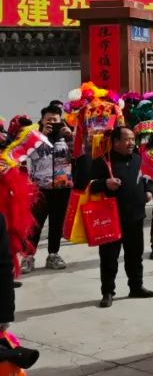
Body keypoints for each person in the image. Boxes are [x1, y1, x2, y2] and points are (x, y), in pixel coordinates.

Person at [88, 127, 153, 308]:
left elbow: (148, 179)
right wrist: (105, 183)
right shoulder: (103, 161)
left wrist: (149, 191)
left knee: (135, 255)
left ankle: (136, 286)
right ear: (116, 142)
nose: (131, 143)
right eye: (127, 139)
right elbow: (88, 185)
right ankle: (108, 292)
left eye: (133, 139)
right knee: (109, 258)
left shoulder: (138, 159)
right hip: (111, 218)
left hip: (136, 216)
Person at [24, 104, 73, 273]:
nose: (52, 122)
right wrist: (41, 136)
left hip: (62, 187)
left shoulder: (67, 136)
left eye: (55, 119)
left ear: (61, 120)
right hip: (39, 188)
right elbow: (28, 154)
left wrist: (71, 136)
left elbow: (79, 154)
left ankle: (53, 254)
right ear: (42, 120)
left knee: (57, 223)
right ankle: (28, 256)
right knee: (34, 224)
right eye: (48, 119)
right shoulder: (33, 136)